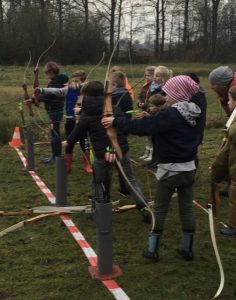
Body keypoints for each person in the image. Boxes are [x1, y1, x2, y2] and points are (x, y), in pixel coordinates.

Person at [102, 75, 205, 262]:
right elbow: (166, 127)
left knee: (159, 209)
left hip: (170, 170)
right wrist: (153, 118)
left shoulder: (171, 114)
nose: (166, 95)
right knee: (187, 208)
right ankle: (187, 249)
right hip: (189, 168)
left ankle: (152, 251)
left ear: (177, 92)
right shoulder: (193, 111)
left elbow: (143, 128)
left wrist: (116, 122)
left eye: (169, 92)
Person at [64, 80, 150, 222]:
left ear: (86, 96)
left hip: (102, 154)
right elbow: (123, 125)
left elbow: (78, 132)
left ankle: (98, 210)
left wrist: (68, 141)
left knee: (98, 182)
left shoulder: (87, 114)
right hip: (122, 150)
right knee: (131, 180)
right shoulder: (115, 109)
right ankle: (144, 208)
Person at [35, 70, 93, 173]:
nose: (74, 82)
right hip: (70, 120)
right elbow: (57, 91)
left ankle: (87, 165)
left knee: (84, 142)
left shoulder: (87, 90)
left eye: (77, 80)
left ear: (82, 81)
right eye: (73, 80)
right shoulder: (68, 90)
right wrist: (42, 90)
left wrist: (80, 86)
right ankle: (68, 165)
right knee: (69, 142)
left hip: (83, 121)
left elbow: (92, 85)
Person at [211, 86, 236, 236]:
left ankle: (233, 226)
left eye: (230, 99)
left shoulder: (233, 130)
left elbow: (223, 156)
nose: (227, 101)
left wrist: (216, 174)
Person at [208, 66, 236, 196]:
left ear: (224, 85)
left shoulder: (233, 91)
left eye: (214, 84)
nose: (211, 87)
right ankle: (229, 184)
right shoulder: (224, 93)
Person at [140, 65, 173, 164]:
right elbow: (148, 99)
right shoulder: (151, 86)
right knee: (151, 137)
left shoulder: (164, 90)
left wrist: (154, 108)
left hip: (158, 116)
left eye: (157, 76)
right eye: (154, 75)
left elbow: (161, 104)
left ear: (163, 79)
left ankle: (156, 159)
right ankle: (153, 159)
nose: (154, 77)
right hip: (150, 113)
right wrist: (145, 105)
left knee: (157, 139)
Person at [39, 61, 69, 164]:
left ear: (51, 71)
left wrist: (36, 98)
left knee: (55, 134)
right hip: (57, 110)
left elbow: (48, 96)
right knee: (54, 132)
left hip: (55, 111)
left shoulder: (54, 82)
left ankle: (56, 156)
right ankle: (54, 155)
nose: (46, 75)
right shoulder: (59, 80)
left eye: (47, 72)